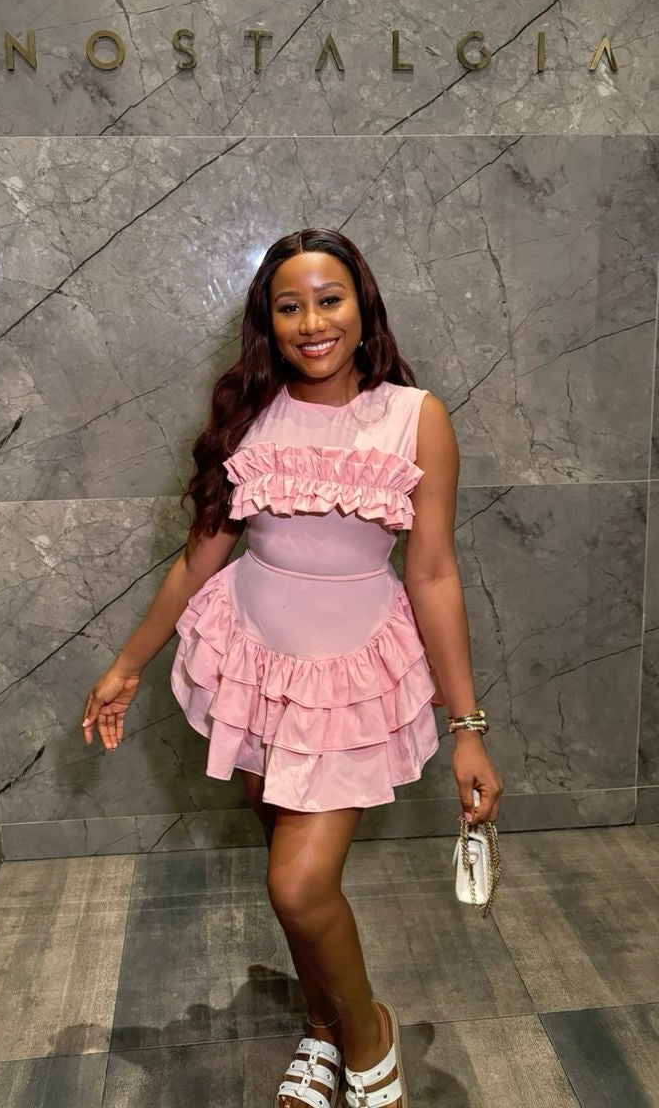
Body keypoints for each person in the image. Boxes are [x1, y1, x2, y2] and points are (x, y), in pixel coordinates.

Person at [81, 228, 503, 1108]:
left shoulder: (413, 416)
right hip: (252, 668)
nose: (312, 322)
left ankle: (368, 1041)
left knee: (300, 885)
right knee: (292, 880)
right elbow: (200, 557)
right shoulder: (250, 414)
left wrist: (467, 727)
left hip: (351, 680)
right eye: (289, 306)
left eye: (329, 299)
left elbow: (431, 573)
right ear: (267, 323)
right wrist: (126, 665)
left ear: (362, 308)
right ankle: (322, 1024)